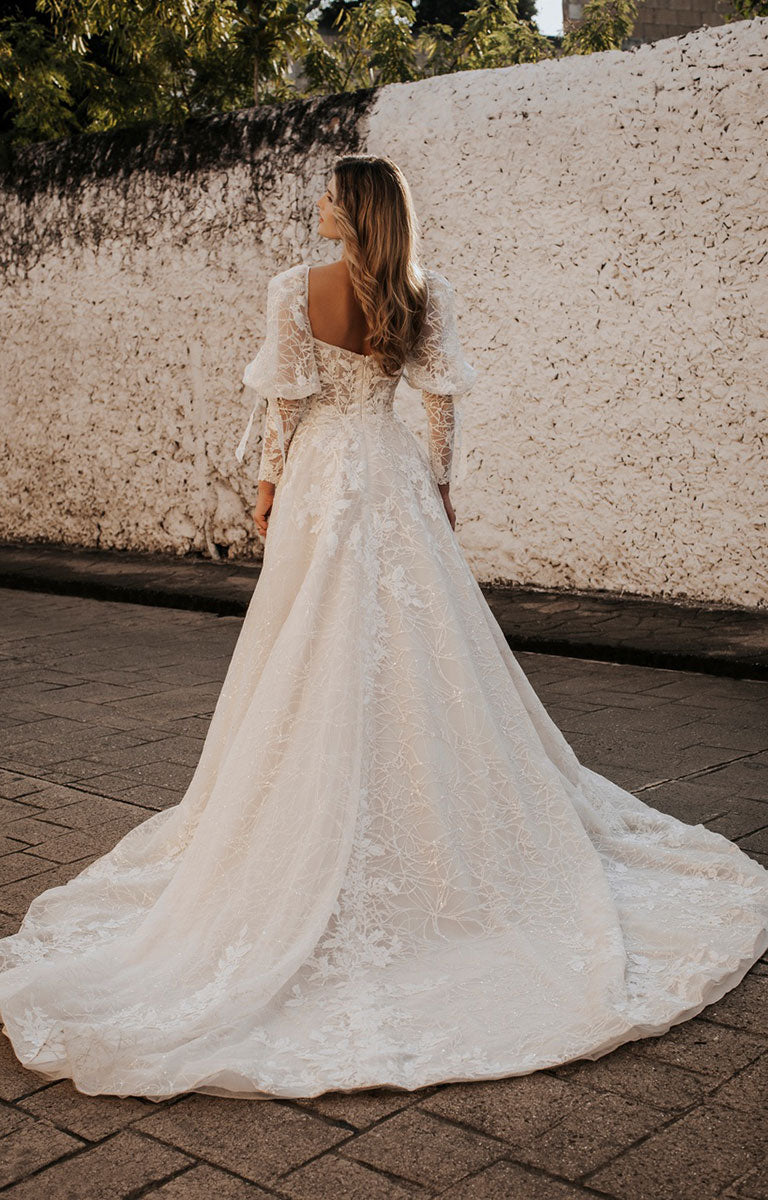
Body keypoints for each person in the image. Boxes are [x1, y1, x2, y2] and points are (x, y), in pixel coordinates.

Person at [0, 154, 766, 1103]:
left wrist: (269, 490)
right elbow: (440, 410)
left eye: (327, 193)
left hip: (325, 476)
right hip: (392, 476)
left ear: (355, 208)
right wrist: (439, 491)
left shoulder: (293, 289)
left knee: (308, 644)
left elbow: (283, 408)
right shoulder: (424, 290)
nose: (316, 203)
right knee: (421, 648)